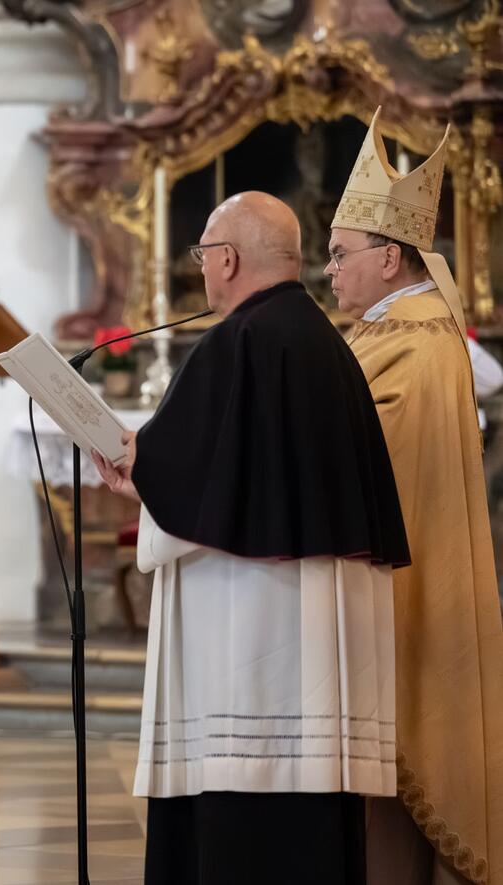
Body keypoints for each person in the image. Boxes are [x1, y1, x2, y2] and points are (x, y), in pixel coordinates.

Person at [94, 191, 409, 885]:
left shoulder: (236, 343)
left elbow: (191, 482)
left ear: (227, 258)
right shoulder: (329, 346)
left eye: (204, 255)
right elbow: (224, 477)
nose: (204, 270)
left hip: (248, 660)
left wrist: (139, 472)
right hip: (319, 665)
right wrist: (155, 476)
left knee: (241, 842)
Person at [328, 107, 503, 885]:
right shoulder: (390, 330)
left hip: (408, 594)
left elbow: (353, 460)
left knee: (397, 772)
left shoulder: (415, 343)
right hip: (394, 585)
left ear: (391, 256)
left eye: (340, 254)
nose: (328, 269)